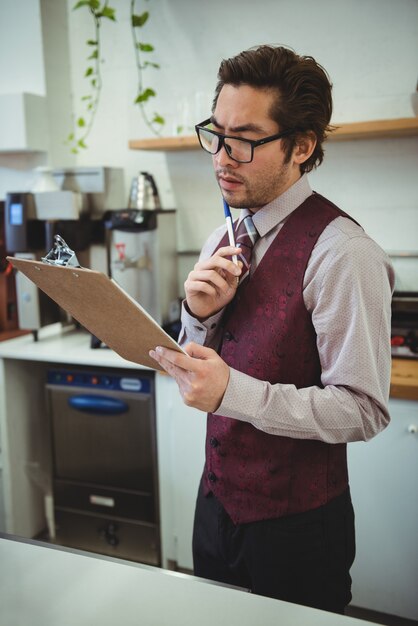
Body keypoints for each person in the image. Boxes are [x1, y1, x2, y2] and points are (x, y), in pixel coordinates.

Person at [149, 45, 394, 614]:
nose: (222, 157)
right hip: (215, 506)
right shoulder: (221, 237)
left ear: (301, 147)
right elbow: (201, 354)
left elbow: (363, 409)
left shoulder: (343, 253)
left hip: (298, 529)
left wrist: (233, 392)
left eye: (247, 139)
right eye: (217, 133)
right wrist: (197, 315)